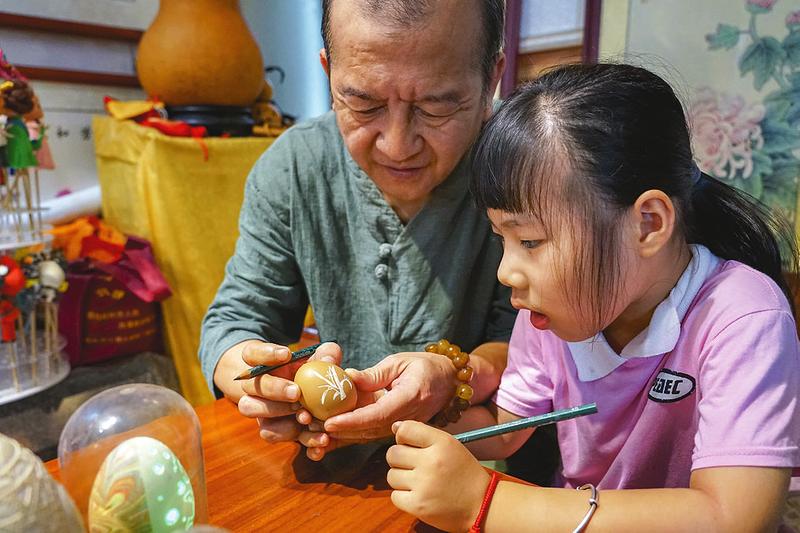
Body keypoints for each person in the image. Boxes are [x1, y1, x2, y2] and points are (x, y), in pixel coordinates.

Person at [383, 63, 800, 532]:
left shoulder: (741, 316)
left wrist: (487, 502)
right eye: (503, 239)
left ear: (648, 224)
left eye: (532, 241)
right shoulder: (555, 310)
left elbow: (735, 518)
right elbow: (504, 429)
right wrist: (404, 408)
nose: (507, 271)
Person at [199, 0, 518, 461]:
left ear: (491, 78)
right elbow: (236, 319)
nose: (397, 144)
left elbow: (539, 346)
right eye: (364, 104)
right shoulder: (295, 167)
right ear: (328, 73)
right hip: (328, 468)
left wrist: (455, 374)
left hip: (474, 463)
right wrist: (254, 373)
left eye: (434, 107)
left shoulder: (524, 168)